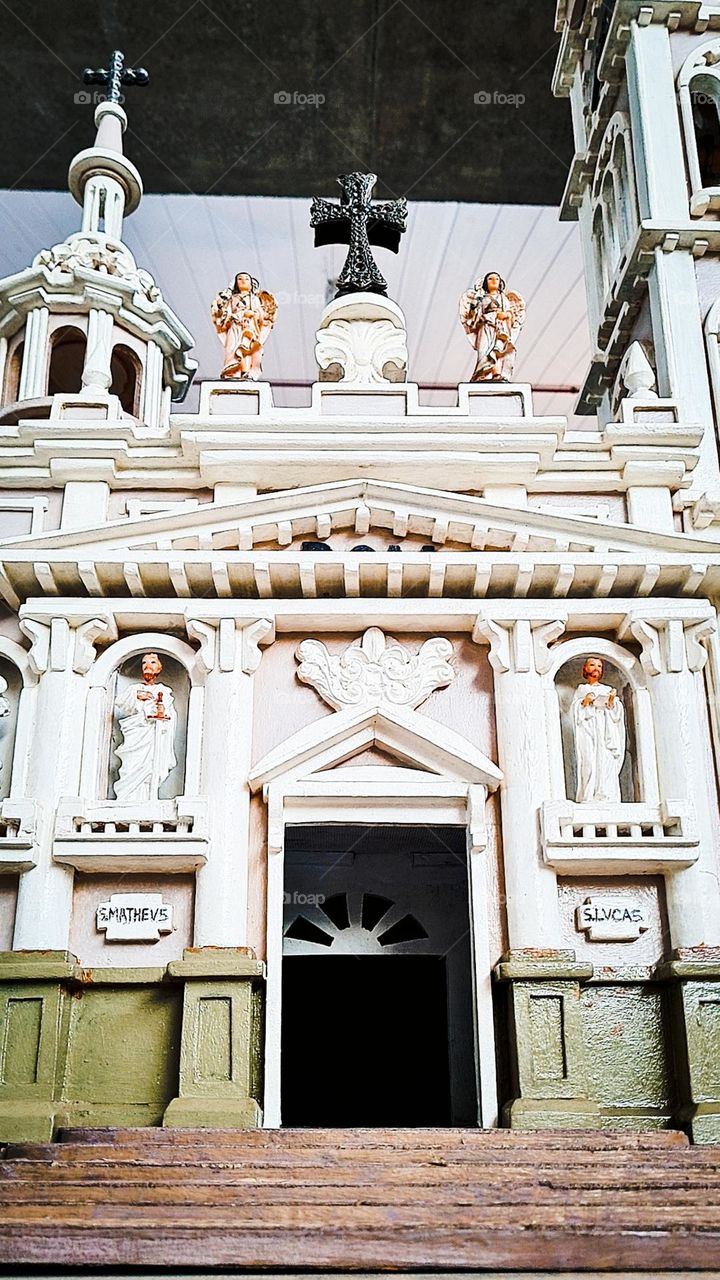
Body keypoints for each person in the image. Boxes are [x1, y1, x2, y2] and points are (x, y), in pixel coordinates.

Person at [114, 652, 176, 802]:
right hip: (136, 735)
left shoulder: (164, 691)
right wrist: (136, 696)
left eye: (153, 662)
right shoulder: (135, 689)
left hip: (153, 737)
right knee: (131, 767)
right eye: (144, 663)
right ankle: (127, 800)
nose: (148, 666)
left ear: (159, 669)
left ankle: (148, 799)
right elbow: (120, 702)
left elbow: (169, 715)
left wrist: (159, 715)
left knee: (150, 769)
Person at [571, 656, 626, 803]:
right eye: (592, 665)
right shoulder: (582, 689)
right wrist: (585, 702)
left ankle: (606, 794)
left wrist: (611, 701)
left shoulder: (607, 689)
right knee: (589, 760)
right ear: (585, 669)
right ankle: (589, 794)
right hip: (589, 731)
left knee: (606, 759)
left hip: (606, 730)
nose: (596, 668)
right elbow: (576, 712)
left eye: (599, 666)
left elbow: (616, 714)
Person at [459, 270, 526, 382]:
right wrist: (474, 306)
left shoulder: (503, 298)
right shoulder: (481, 297)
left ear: (500, 283)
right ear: (486, 283)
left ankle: (496, 375)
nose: (494, 281)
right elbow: (474, 317)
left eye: (496, 279)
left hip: (499, 327)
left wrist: (505, 315)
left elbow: (510, 313)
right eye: (490, 279)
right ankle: (483, 375)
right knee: (484, 351)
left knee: (498, 351)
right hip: (485, 327)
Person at [211, 271, 277, 380]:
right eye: (240, 279)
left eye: (246, 279)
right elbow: (226, 315)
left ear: (251, 284)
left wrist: (252, 314)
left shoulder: (254, 299)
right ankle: (232, 373)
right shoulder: (232, 299)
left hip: (248, 327)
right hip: (234, 326)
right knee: (231, 348)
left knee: (245, 348)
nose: (243, 281)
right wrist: (231, 314)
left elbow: (259, 314)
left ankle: (245, 372)